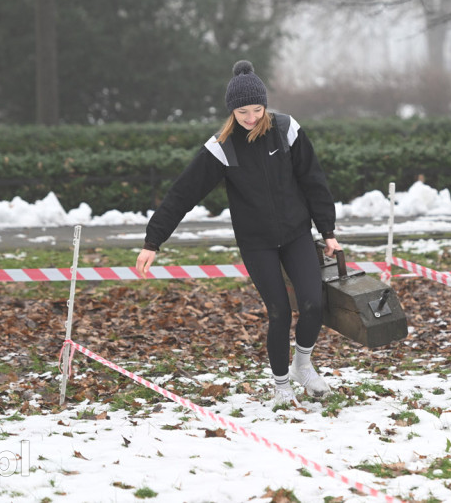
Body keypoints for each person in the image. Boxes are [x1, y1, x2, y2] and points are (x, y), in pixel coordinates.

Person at [135, 60, 341, 409]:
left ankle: (303, 367)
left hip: (295, 233)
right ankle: (281, 388)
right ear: (232, 111)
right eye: (242, 111)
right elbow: (182, 195)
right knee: (278, 312)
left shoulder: (287, 130)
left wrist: (328, 230)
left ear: (265, 105)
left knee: (312, 303)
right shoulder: (222, 147)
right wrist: (153, 241)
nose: (250, 117)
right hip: (257, 242)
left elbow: (313, 180)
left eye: (257, 109)